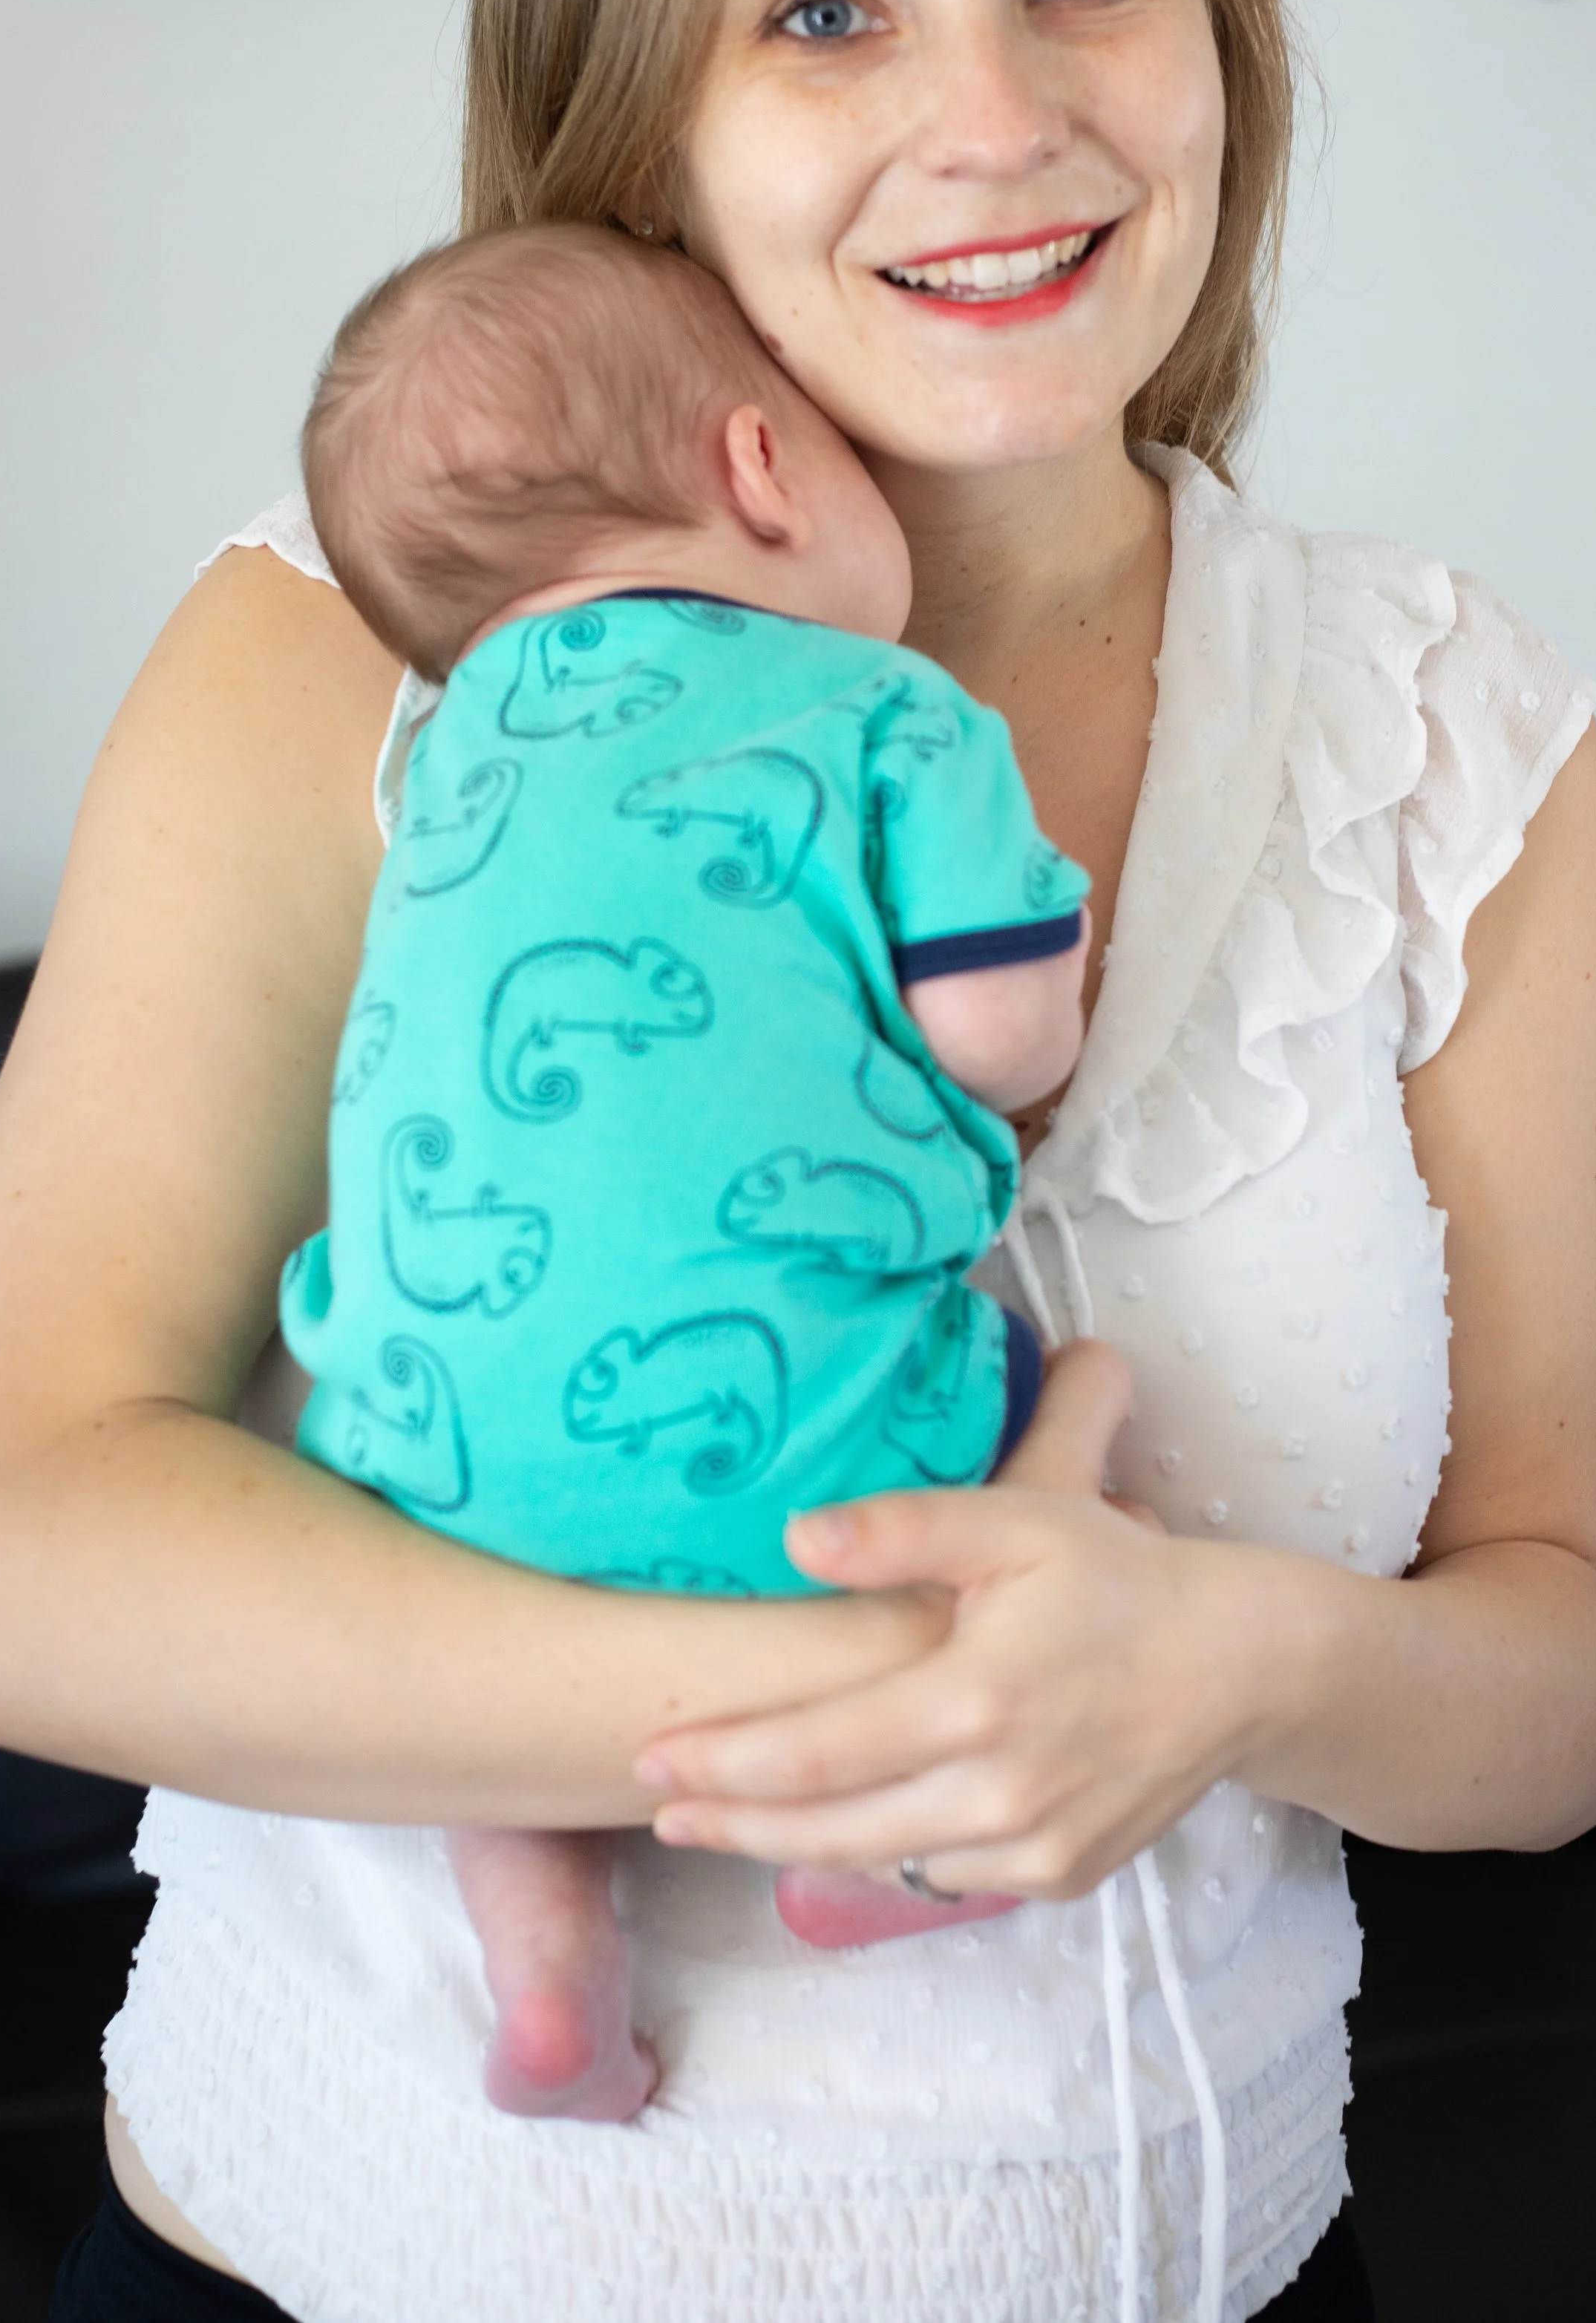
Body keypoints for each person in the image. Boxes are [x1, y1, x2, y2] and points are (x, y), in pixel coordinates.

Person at [0, 0, 1596, 2318]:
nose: (996, 116)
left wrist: (1227, 1669)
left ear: (1221, 29)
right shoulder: (339, 653)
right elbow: (23, 1530)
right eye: (823, 13)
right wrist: (870, 1708)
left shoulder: (1456, 740)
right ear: (636, 113)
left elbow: (1570, 1680)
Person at [287, 218, 1092, 2122]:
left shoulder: (445, 757)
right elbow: (1004, 1042)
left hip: (425, 1455)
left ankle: (547, 1965)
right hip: (804, 1455)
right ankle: (886, 1842)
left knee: (488, 1685)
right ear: (762, 465)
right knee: (1071, 1437)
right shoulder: (880, 706)